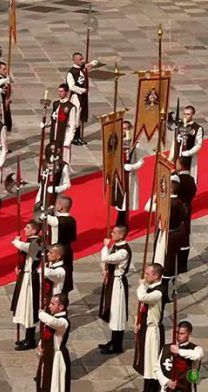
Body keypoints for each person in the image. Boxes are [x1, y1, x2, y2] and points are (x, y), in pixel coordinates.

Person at [133, 263, 169, 392]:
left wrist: (142, 284)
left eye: (148, 274)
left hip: (153, 331)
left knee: (153, 362)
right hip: (146, 328)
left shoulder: (159, 292)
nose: (145, 276)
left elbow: (143, 297)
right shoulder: (152, 287)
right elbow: (144, 308)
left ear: (156, 275)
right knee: (145, 360)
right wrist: (138, 322)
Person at [98, 225, 131, 355]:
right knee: (112, 311)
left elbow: (106, 258)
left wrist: (105, 246)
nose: (112, 234)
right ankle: (113, 340)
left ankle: (117, 344)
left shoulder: (123, 251)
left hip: (118, 283)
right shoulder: (116, 246)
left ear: (122, 235)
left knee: (117, 313)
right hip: (112, 280)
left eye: (115, 232)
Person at [10, 220, 42, 351]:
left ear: (34, 230)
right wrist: (19, 267)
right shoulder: (29, 241)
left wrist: (17, 242)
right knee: (23, 306)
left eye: (27, 227)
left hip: (30, 278)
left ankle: (30, 340)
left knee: (29, 308)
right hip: (25, 275)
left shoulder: (38, 242)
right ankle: (27, 337)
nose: (24, 229)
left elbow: (28, 249)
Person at [35, 294, 71, 392]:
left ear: (61, 307)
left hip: (57, 357)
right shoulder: (54, 318)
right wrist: (40, 348)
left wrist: (41, 313)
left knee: (55, 385)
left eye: (52, 304)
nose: (49, 306)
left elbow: (52, 322)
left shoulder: (63, 322)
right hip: (48, 355)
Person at [154, 320, 204, 391]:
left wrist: (179, 351)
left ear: (189, 334)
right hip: (168, 389)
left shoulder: (196, 349)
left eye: (182, 333)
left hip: (186, 388)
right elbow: (157, 369)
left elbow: (197, 355)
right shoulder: (166, 348)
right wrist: (166, 381)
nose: (178, 336)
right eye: (177, 333)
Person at [42, 195, 77, 295]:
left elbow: (42, 217)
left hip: (57, 251)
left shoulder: (56, 221)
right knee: (66, 275)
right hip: (68, 250)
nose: (55, 205)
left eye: (57, 204)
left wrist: (48, 210)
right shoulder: (72, 220)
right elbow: (73, 238)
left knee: (57, 276)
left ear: (61, 207)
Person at [114, 121, 144, 226]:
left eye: (126, 128)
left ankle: (123, 221)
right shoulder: (116, 143)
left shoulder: (135, 144)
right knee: (119, 200)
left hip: (130, 176)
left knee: (126, 201)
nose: (124, 131)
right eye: (122, 128)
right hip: (119, 176)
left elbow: (141, 161)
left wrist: (131, 167)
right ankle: (120, 219)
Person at [66, 52, 98, 145]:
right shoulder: (71, 73)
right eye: (80, 59)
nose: (82, 60)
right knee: (76, 116)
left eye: (82, 58)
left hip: (83, 96)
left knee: (80, 117)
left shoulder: (83, 67)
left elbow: (95, 63)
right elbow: (71, 86)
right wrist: (82, 90)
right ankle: (74, 137)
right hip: (76, 96)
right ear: (75, 60)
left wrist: (91, 64)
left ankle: (78, 136)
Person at [35, 143, 71, 215]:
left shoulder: (63, 166)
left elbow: (67, 184)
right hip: (43, 195)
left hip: (56, 197)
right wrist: (38, 198)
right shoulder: (44, 163)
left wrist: (56, 189)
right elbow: (43, 182)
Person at [45, 84, 77, 164]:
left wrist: (69, 140)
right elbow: (54, 118)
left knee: (64, 159)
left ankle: (64, 175)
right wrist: (46, 124)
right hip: (54, 134)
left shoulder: (70, 107)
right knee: (53, 156)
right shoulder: (56, 104)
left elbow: (72, 125)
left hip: (64, 136)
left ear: (66, 92)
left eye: (61, 91)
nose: (59, 93)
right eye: (58, 91)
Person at [175, 157, 196, 274]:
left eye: (177, 163)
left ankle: (179, 264)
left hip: (179, 210)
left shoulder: (178, 179)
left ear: (181, 165)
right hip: (187, 208)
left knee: (179, 235)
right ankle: (183, 264)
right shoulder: (191, 179)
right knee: (185, 234)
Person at [169, 105, 203, 180]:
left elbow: (198, 145)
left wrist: (188, 153)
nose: (185, 116)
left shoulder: (197, 128)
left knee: (188, 179)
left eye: (188, 114)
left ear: (192, 115)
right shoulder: (179, 126)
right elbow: (174, 143)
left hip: (189, 158)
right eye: (184, 114)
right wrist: (170, 158)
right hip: (178, 157)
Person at [42, 244, 66, 309]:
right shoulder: (50, 264)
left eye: (51, 253)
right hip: (46, 298)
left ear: (58, 257)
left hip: (54, 303)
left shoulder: (60, 271)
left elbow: (44, 272)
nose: (48, 254)